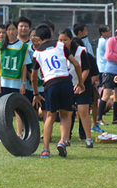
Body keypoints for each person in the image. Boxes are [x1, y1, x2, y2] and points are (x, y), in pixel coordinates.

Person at [31, 24, 84, 158]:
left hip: (50, 84)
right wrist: (80, 82)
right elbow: (76, 64)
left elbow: (33, 77)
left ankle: (45, 149)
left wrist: (36, 94)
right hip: (66, 82)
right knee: (66, 115)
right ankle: (62, 140)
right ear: (51, 35)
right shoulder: (61, 46)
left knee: (50, 116)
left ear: (38, 38)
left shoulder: (37, 53)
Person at [58, 29, 98, 149]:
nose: (63, 42)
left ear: (71, 39)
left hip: (82, 86)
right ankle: (65, 139)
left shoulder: (81, 51)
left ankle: (88, 139)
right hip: (66, 85)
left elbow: (86, 69)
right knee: (67, 112)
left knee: (83, 111)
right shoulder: (58, 51)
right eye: (60, 40)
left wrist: (80, 83)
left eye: (65, 40)